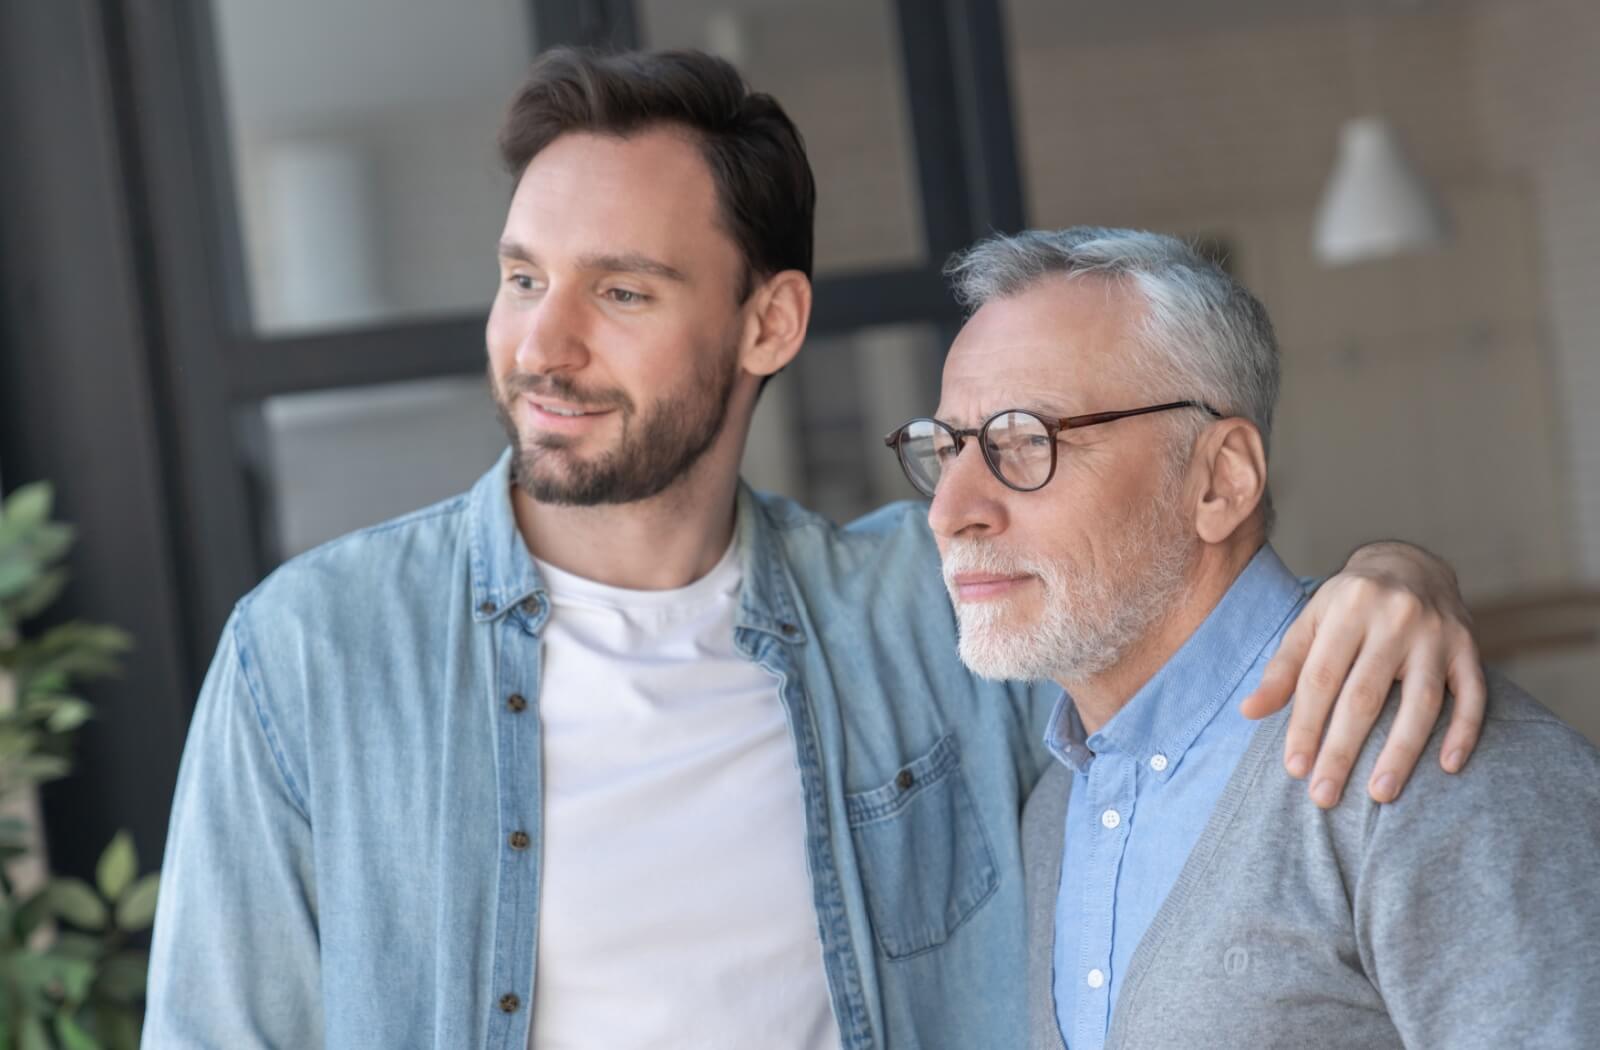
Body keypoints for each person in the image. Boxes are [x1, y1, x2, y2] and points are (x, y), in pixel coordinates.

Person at [144, 50, 1486, 1050]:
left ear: (770, 322)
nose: (542, 348)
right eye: (521, 278)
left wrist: (1399, 571)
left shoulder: (931, 603)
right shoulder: (313, 654)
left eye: (620, 292)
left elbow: (1192, 647)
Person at [885, 224, 1600, 1049]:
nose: (949, 511)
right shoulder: (1057, 808)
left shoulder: (1420, 765)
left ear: (1221, 480)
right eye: (945, 449)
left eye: (1026, 442)